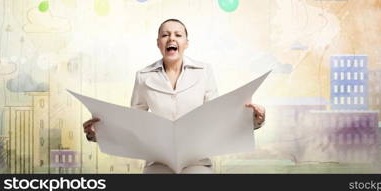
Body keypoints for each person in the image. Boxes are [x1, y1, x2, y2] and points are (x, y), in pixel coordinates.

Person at [83, 18, 266, 174]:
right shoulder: (143, 76)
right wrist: (99, 134)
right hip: (157, 164)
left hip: (197, 162)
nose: (171, 38)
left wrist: (253, 121)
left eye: (178, 35)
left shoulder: (204, 72)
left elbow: (217, 118)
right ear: (158, 43)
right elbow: (133, 125)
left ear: (186, 43)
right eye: (165, 35)